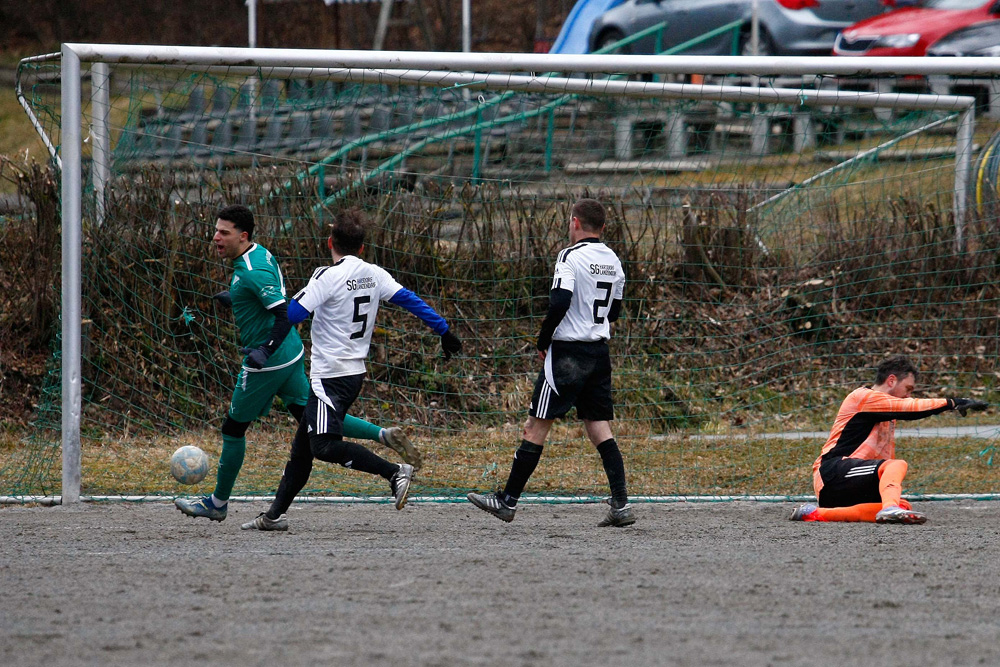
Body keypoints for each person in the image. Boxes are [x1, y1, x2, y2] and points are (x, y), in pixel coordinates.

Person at [175, 204, 423, 523]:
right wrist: (237, 298)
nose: (215, 237)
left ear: (243, 235)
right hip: (292, 355)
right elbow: (272, 297)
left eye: (224, 232)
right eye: (216, 230)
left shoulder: (253, 271)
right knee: (309, 416)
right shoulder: (259, 253)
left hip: (268, 362)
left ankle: (218, 503)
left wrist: (263, 351)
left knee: (234, 429)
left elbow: (281, 311)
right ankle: (382, 435)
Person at [241, 208, 462, 531]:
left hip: (329, 377)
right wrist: (444, 330)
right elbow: (410, 300)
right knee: (302, 450)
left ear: (330, 242)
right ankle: (273, 516)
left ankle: (394, 472)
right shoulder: (374, 273)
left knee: (324, 447)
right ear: (361, 247)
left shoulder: (326, 277)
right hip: (353, 374)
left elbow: (292, 314)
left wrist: (263, 341)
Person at [466, 198, 634, 527]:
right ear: (602, 227)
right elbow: (614, 312)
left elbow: (559, 301)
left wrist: (543, 341)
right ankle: (621, 505)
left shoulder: (569, 256)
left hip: (568, 355)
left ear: (574, 222)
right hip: (599, 354)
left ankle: (507, 500)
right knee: (600, 428)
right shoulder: (613, 261)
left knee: (535, 426)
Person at [790, 355, 987, 524]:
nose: (909, 396)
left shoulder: (887, 412)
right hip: (832, 472)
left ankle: (815, 513)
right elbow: (912, 409)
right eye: (908, 388)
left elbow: (882, 459)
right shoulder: (863, 397)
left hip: (848, 486)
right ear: (891, 381)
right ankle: (890, 509)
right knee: (896, 466)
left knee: (903, 504)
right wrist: (953, 403)